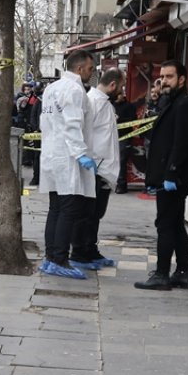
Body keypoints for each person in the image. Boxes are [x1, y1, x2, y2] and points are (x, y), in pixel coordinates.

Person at [134, 59, 188, 291]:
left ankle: (162, 274)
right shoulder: (172, 102)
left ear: (182, 79)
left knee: (165, 225)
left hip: (174, 176)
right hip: (169, 174)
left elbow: (181, 143)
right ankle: (183, 273)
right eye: (162, 76)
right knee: (175, 225)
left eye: (169, 76)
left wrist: (171, 174)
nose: (164, 80)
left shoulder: (185, 105)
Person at [37, 50, 98, 279]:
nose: (92, 74)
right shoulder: (74, 90)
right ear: (80, 68)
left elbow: (45, 121)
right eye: (91, 69)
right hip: (67, 156)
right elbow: (72, 125)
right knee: (68, 210)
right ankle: (60, 258)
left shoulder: (52, 88)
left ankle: (51, 257)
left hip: (52, 155)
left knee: (55, 208)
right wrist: (81, 153)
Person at [70, 69, 123, 270]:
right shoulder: (92, 102)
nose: (122, 90)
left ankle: (90, 250)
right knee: (86, 214)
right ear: (113, 84)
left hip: (104, 168)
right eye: (121, 86)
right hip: (94, 167)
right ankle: (79, 252)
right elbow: (83, 133)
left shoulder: (105, 104)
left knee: (96, 214)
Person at [113, 91, 139, 194]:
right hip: (112, 137)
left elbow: (133, 120)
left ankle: (121, 185)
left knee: (121, 161)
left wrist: (119, 120)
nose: (116, 97)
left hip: (124, 137)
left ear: (123, 95)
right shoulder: (111, 105)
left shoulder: (130, 106)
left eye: (118, 95)